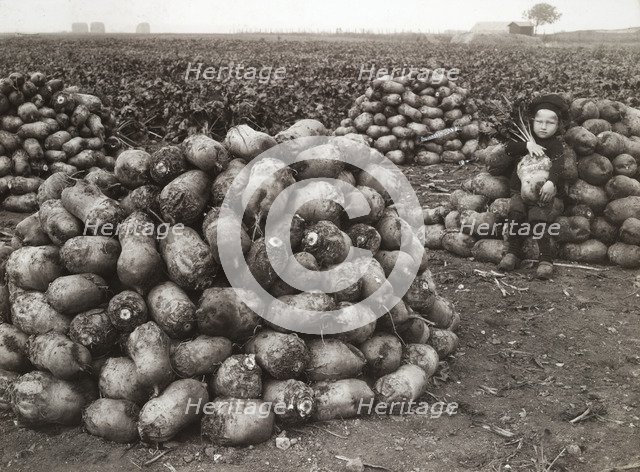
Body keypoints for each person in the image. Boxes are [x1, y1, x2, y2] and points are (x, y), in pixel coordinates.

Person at [496, 94, 569, 280]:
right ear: (532, 121)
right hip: (518, 190)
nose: (543, 127)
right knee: (515, 212)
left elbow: (559, 165)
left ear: (558, 124)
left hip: (541, 193)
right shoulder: (523, 142)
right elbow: (508, 149)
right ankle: (512, 252)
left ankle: (546, 259)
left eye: (549, 123)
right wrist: (526, 145)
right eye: (539, 122)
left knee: (537, 217)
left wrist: (551, 182)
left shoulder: (555, 145)